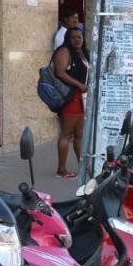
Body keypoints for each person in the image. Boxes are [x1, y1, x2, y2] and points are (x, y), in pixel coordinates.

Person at [51, 27, 88, 178]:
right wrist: (79, 85)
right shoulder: (64, 51)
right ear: (68, 38)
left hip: (82, 98)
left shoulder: (83, 53)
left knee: (79, 134)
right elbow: (59, 72)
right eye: (74, 37)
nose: (77, 40)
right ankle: (61, 169)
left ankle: (83, 167)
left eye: (80, 37)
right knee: (66, 134)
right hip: (70, 97)